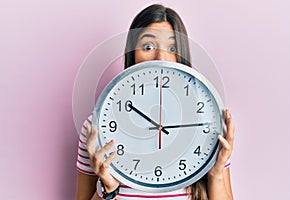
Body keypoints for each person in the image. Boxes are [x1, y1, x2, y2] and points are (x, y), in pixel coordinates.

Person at [76, 4, 234, 200]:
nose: (161, 57)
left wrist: (216, 172)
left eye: (172, 48)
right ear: (132, 53)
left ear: (181, 57)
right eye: (148, 46)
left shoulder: (208, 125)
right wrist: (109, 189)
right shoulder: (95, 128)